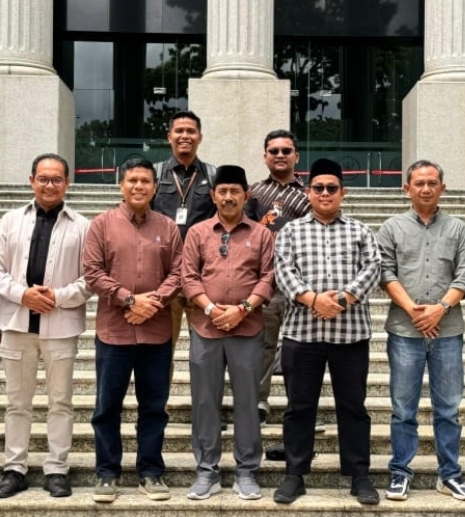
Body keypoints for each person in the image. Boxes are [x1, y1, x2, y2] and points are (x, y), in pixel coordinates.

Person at [272, 158, 381, 506]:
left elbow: (373, 268)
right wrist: (313, 299)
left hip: (350, 335)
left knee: (353, 407)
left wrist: (344, 298)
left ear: (342, 193)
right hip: (302, 335)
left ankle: (359, 475)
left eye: (331, 188)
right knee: (299, 407)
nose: (324, 193)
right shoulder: (291, 231)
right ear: (308, 192)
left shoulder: (360, 231)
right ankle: (295, 474)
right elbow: (283, 272)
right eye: (318, 187)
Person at [0, 153, 92, 498]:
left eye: (57, 179)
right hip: (17, 324)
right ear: (31, 181)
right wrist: (23, 295)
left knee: (61, 402)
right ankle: (14, 468)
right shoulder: (11, 220)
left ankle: (57, 468)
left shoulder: (82, 226)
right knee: (18, 402)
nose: (49, 185)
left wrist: (57, 297)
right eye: (43, 178)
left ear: (67, 183)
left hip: (61, 327)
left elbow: (90, 278)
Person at [83, 158, 182, 503]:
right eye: (132, 180)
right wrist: (129, 300)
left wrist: (152, 302)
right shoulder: (101, 224)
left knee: (154, 407)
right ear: (121, 185)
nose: (139, 186)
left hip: (156, 331)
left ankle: (151, 472)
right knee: (107, 406)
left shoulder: (168, 227)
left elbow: (179, 272)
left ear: (155, 188)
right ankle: (107, 473)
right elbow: (92, 272)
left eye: (145, 181)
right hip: (114, 332)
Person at [376, 160, 465, 502]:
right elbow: (385, 273)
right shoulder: (391, 228)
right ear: (407, 188)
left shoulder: (458, 229)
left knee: (448, 408)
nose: (426, 188)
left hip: (448, 330)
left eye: (433, 182)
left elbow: (464, 276)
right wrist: (414, 310)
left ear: (442, 188)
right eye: (419, 183)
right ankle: (400, 472)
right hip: (405, 331)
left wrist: (439, 309)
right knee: (403, 408)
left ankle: (449, 474)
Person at [181, 165, 275, 501]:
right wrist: (210, 309)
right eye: (222, 191)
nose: (228, 197)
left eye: (235, 191)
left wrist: (242, 309)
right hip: (205, 328)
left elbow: (268, 277)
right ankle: (206, 470)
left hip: (247, 329)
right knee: (205, 401)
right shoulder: (198, 232)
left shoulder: (261, 234)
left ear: (246, 195)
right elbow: (188, 277)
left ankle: (246, 471)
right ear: (213, 195)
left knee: (247, 402)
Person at [244, 129, 312, 428]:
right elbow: (243, 233)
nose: (280, 155)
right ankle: (258, 402)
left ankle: (300, 405)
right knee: (263, 345)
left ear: (297, 156)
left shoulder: (310, 193)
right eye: (274, 151)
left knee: (301, 347)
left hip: (301, 283)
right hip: (266, 282)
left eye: (286, 150)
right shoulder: (255, 192)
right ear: (265, 156)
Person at [151, 111, 217, 362]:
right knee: (161, 353)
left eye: (191, 131)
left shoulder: (213, 175)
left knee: (206, 353)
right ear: (169, 136)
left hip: (202, 278)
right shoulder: (155, 174)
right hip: (164, 278)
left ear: (200, 137)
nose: (185, 136)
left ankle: (204, 391)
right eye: (179, 131)